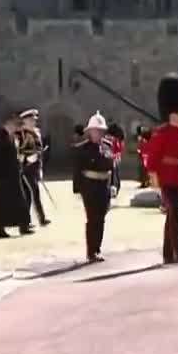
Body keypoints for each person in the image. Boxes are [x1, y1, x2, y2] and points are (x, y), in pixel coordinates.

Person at [143, 74, 178, 264]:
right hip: (166, 179)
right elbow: (152, 160)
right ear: (170, 112)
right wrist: (155, 183)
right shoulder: (161, 133)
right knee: (174, 213)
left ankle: (168, 254)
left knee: (172, 215)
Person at [0, 112, 33, 238]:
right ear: (8, 123)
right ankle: (4, 228)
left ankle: (23, 225)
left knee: (21, 198)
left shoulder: (9, 136)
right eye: (14, 124)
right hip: (3, 175)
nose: (16, 127)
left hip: (12, 174)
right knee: (2, 204)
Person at [75, 112, 116, 262]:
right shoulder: (82, 149)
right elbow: (78, 170)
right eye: (95, 130)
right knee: (92, 218)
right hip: (90, 187)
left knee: (101, 218)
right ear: (90, 131)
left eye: (100, 130)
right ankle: (91, 251)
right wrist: (79, 189)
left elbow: (113, 168)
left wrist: (114, 185)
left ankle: (97, 248)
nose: (98, 133)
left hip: (104, 185)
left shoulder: (107, 146)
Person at [16, 109, 50, 227]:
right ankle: (40, 218)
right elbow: (17, 152)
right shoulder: (20, 134)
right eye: (30, 120)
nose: (33, 122)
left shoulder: (36, 132)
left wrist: (40, 168)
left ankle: (25, 222)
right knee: (33, 193)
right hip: (25, 168)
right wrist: (27, 158)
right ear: (24, 121)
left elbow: (39, 150)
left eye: (34, 120)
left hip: (35, 167)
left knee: (29, 195)